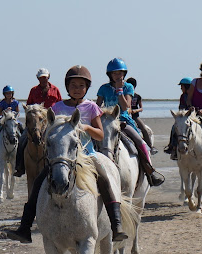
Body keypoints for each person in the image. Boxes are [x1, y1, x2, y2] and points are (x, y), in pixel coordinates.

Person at [7, 65, 128, 243]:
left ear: (87, 88)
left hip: (87, 155)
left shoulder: (92, 107)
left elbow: (100, 134)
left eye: (81, 86)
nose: (77, 89)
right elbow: (49, 130)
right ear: (67, 87)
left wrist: (86, 127)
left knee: (105, 178)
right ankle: (24, 227)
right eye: (73, 86)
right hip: (63, 156)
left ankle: (116, 224)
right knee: (39, 181)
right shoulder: (57, 108)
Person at [96, 58, 164, 187]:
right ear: (110, 74)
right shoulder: (103, 88)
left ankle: (150, 171)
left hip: (123, 121)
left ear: (124, 74)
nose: (118, 75)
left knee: (139, 141)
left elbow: (126, 106)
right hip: (106, 121)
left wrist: (119, 90)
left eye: (120, 73)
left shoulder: (128, 87)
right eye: (115, 73)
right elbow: (97, 106)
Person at [13, 68, 62, 177]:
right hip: (36, 123)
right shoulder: (33, 90)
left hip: (51, 122)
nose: (43, 80)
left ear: (48, 77)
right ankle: (20, 167)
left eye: (44, 77)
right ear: (38, 79)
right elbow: (29, 106)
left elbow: (60, 106)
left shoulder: (55, 90)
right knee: (22, 140)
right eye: (41, 78)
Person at [126, 77, 158, 154]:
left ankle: (150, 147)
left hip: (135, 116)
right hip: (127, 116)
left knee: (144, 129)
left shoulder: (137, 96)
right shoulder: (125, 95)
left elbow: (141, 108)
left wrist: (135, 110)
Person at [164, 77, 192, 160]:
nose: (181, 88)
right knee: (174, 128)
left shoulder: (193, 95)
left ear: (186, 86)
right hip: (184, 116)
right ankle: (173, 147)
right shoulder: (182, 96)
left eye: (182, 86)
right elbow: (181, 108)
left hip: (193, 116)